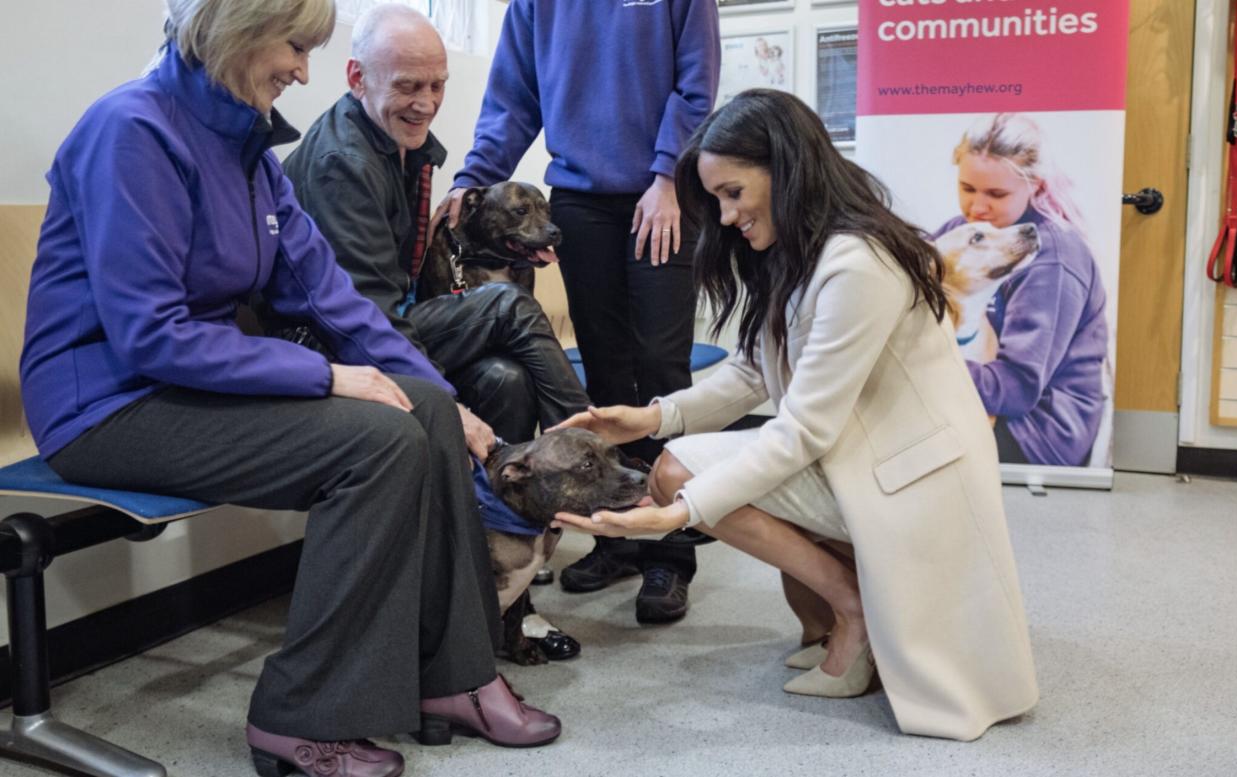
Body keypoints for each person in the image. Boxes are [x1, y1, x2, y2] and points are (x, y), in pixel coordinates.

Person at [18, 2, 559, 775]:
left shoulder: (249, 151)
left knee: (427, 408)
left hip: (187, 383)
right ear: (234, 31)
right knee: (375, 443)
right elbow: (151, 335)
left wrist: (455, 402)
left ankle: (456, 674)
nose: (303, 69)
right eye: (294, 46)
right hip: (104, 404)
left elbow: (331, 296)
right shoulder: (131, 131)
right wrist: (331, 375)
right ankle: (298, 716)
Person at [552, 90, 1039, 741]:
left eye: (732, 193)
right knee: (680, 464)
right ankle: (845, 609)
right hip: (870, 455)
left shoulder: (857, 263)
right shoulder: (803, 250)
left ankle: (851, 607)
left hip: (911, 478)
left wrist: (685, 513)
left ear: (784, 169)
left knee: (682, 476)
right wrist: (650, 417)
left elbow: (804, 427)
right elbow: (753, 371)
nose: (724, 217)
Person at [277, 4, 589, 660]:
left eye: (437, 85)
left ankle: (498, 600)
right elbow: (363, 318)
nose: (426, 103)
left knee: (503, 377)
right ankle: (582, 440)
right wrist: (449, 399)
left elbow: (408, 297)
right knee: (506, 308)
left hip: (384, 328)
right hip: (334, 348)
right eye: (408, 86)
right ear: (358, 77)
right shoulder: (342, 159)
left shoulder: (402, 148)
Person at [441, 0, 722, 625]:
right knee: (604, 370)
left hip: (665, 193)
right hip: (581, 201)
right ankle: (616, 539)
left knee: (660, 368)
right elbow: (512, 98)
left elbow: (695, 83)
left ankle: (670, 554)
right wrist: (473, 177)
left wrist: (670, 176)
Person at [932, 113, 1109, 467]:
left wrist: (925, 371)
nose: (977, 208)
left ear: (1036, 187)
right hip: (988, 401)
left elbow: (1017, 388)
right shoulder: (966, 228)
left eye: (996, 194)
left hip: (1038, 433)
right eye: (967, 189)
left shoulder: (1053, 258)